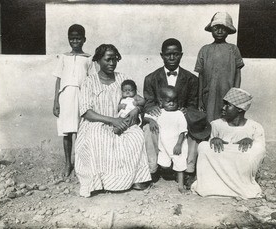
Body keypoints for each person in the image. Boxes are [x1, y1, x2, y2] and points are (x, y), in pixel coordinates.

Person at [75, 44, 151, 197]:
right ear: (98, 60)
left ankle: (135, 178)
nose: (112, 63)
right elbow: (86, 112)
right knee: (99, 137)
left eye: (115, 59)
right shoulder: (89, 82)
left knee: (136, 134)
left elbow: (137, 100)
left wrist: (136, 110)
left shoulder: (122, 79)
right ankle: (103, 182)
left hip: (123, 121)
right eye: (108, 59)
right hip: (97, 122)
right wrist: (112, 120)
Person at [191, 88, 266, 199]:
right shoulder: (216, 124)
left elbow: (260, 150)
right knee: (203, 146)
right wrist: (214, 140)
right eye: (224, 104)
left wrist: (250, 142)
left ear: (240, 109)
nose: (223, 108)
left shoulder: (255, 127)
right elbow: (211, 150)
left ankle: (241, 186)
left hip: (240, 168)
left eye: (228, 105)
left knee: (258, 148)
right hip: (221, 161)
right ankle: (212, 187)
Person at [143, 38, 198, 182]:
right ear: (162, 56)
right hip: (161, 119)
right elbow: (148, 103)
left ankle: (189, 170)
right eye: (168, 54)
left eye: (176, 54)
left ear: (181, 55)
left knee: (195, 128)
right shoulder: (150, 78)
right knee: (149, 129)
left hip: (180, 119)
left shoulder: (191, 79)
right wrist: (153, 108)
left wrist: (187, 111)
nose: (172, 58)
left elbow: (193, 103)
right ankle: (153, 168)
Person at [53, 24, 97, 177]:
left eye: (78, 38)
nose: (75, 41)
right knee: (67, 132)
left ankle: (80, 163)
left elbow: (92, 80)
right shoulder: (63, 57)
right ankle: (67, 163)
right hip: (65, 96)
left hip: (81, 95)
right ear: (68, 40)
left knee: (80, 131)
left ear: (84, 39)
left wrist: (91, 101)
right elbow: (58, 80)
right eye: (72, 39)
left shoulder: (89, 58)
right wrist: (56, 102)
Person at [195, 12, 244, 122]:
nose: (220, 31)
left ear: (228, 30)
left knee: (226, 122)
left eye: (223, 28)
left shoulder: (233, 49)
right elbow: (201, 76)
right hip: (209, 95)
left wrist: (234, 98)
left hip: (227, 95)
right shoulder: (204, 50)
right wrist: (200, 100)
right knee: (209, 122)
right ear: (211, 29)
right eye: (216, 28)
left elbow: (237, 74)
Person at [144, 86, 189, 193]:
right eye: (168, 101)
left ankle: (181, 185)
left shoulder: (179, 114)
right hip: (163, 144)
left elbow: (182, 131)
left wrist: (178, 144)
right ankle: (170, 173)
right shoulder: (159, 112)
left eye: (174, 101)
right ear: (161, 102)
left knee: (179, 162)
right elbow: (145, 116)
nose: (172, 104)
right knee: (164, 164)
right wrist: (151, 120)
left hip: (177, 143)